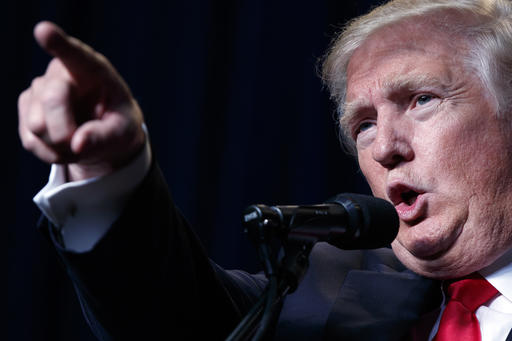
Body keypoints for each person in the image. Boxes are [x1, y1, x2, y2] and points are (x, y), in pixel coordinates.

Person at [17, 0, 512, 340]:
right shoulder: (326, 291)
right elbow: (170, 313)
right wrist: (108, 171)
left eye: (422, 99)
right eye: (363, 125)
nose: (384, 147)